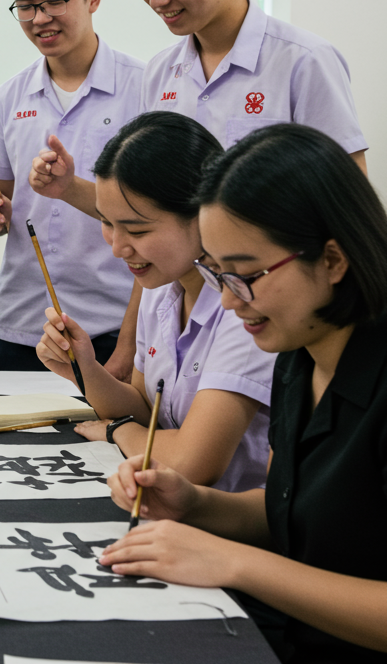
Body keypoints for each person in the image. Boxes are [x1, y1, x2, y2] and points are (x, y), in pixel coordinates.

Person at [101, 124, 387, 662]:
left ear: (331, 259)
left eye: (245, 276)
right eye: (217, 275)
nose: (230, 305)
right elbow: (290, 508)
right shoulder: (300, 356)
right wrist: (196, 504)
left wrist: (235, 563)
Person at [30, 0, 366, 218]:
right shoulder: (161, 73)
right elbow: (147, 211)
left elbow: (348, 208)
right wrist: (69, 188)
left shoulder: (304, 63)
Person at [38, 111, 273, 492]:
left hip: (234, 521)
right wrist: (85, 369)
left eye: (137, 229)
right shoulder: (160, 288)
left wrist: (117, 432)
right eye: (107, 222)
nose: (117, 247)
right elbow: (148, 411)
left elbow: (192, 464)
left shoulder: (244, 309)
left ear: (202, 215)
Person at [0, 0, 145, 373]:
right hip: (22, 323)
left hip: (111, 327)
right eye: (25, 6)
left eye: (54, 1)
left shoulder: (144, 90)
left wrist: (69, 188)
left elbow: (155, 217)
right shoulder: (9, 97)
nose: (39, 18)